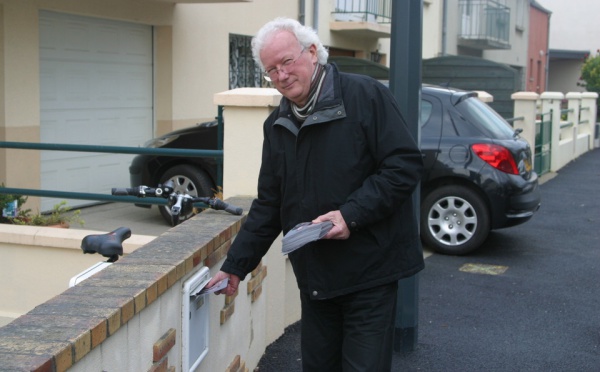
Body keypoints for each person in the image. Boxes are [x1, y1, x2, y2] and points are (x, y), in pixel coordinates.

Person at [206, 17, 424, 371]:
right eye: (271, 70)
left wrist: (349, 214)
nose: (281, 75)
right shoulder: (277, 123)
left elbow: (404, 166)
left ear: (312, 52)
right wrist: (235, 266)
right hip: (317, 277)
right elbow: (270, 203)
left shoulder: (365, 96)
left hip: (370, 272)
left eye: (287, 62)